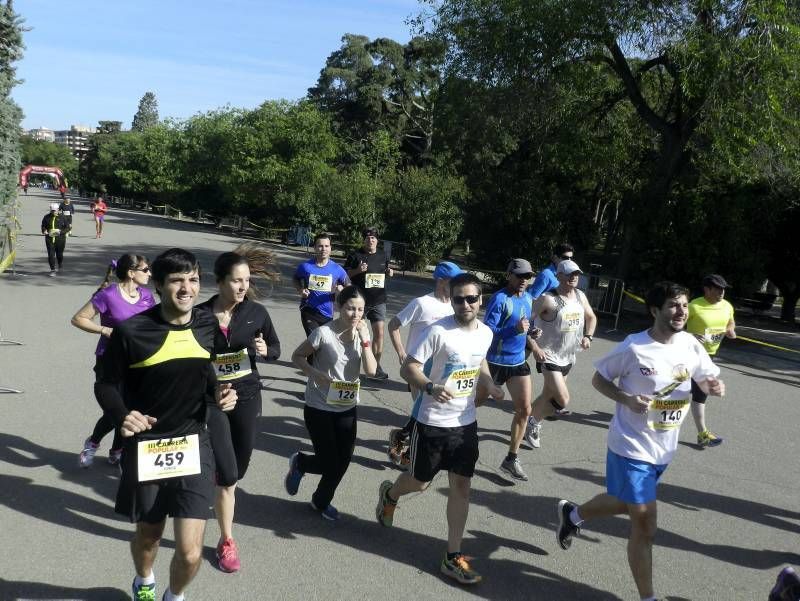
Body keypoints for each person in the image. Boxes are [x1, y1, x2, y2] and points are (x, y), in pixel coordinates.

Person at [555, 281, 724, 601]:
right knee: (645, 523)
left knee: (623, 502)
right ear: (654, 310)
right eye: (673, 305)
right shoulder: (633, 347)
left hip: (664, 448)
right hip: (631, 447)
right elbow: (598, 379)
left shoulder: (689, 343)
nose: (681, 312)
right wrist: (626, 398)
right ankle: (648, 598)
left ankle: (573, 515)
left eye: (685, 306)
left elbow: (704, 374)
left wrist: (712, 383)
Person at [95, 248, 238, 601]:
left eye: (193, 280)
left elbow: (215, 374)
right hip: (148, 445)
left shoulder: (207, 326)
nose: (187, 288)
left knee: (190, 552)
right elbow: (106, 383)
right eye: (176, 280)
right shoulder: (132, 332)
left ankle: (173, 596)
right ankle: (144, 580)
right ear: (158, 285)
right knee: (149, 536)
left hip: (193, 442)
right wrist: (122, 414)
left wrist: (222, 395)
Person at [376, 272, 504, 585]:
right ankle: (390, 495)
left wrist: (489, 382)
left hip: (465, 422)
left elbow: (479, 363)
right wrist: (430, 387)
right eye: (459, 298)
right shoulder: (438, 331)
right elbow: (409, 368)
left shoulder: (485, 333)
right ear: (453, 300)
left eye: (471, 298)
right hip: (432, 422)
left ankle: (452, 556)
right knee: (419, 483)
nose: (465, 304)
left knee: (461, 486)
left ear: (480, 300)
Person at [196, 243, 281, 573]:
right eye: (236, 280)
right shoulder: (201, 316)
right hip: (213, 399)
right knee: (228, 476)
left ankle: (219, 484)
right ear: (219, 282)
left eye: (246, 280)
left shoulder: (256, 313)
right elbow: (193, 360)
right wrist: (211, 388)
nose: (243, 286)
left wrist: (266, 349)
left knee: (239, 466)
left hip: (247, 396)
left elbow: (275, 348)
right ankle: (226, 539)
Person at [285, 286, 377, 521]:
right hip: (319, 406)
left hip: (347, 407)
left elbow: (372, 370)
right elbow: (296, 356)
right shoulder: (323, 333)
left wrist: (366, 341)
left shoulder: (362, 335)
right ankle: (302, 463)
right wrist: (314, 372)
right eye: (350, 308)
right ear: (338, 307)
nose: (355, 314)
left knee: (343, 461)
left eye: (360, 310)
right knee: (329, 461)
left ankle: (320, 501)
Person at [71, 254, 156, 468]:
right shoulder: (108, 295)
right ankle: (92, 443)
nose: (150, 274)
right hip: (109, 360)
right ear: (131, 273)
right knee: (114, 411)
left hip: (137, 361)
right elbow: (78, 318)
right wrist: (104, 329)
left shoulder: (147, 297)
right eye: (146, 270)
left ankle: (117, 450)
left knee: (131, 409)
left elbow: (153, 328)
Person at [386, 261, 463, 467]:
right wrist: (402, 352)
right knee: (424, 412)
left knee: (427, 412)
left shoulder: (455, 304)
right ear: (440, 280)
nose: (458, 284)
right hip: (417, 369)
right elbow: (393, 324)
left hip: (443, 369)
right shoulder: (421, 303)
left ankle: (401, 436)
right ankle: (410, 452)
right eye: (453, 280)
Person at [525, 259, 597, 449]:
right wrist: (535, 347)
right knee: (562, 399)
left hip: (568, 355)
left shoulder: (580, 296)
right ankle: (533, 422)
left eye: (577, 274)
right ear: (559, 276)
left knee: (549, 396)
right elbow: (525, 324)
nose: (574, 277)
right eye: (569, 273)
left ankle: (526, 420)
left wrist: (588, 336)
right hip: (548, 355)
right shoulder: (547, 298)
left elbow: (591, 317)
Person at [483, 258, 536, 481]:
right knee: (470, 404)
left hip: (517, 362)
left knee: (525, 410)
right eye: (520, 276)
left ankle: (511, 459)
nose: (524, 280)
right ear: (509, 276)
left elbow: (524, 328)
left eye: (527, 276)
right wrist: (513, 329)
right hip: (494, 362)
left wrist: (530, 334)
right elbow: (487, 331)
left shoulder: (528, 299)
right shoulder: (500, 299)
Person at [686, 274, 735, 447]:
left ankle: (702, 434)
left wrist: (730, 330)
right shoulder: (693, 306)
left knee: (700, 395)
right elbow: (671, 326)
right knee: (670, 389)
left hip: (709, 357)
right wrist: (690, 335)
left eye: (723, 289)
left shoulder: (727, 306)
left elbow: (731, 322)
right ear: (707, 289)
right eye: (718, 289)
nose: (722, 292)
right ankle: (643, 414)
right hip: (687, 355)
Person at [345, 227, 393, 379]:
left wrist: (390, 273)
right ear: (363, 240)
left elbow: (385, 270)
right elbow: (344, 275)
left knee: (379, 334)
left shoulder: (383, 255)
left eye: (373, 238)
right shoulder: (355, 255)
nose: (370, 240)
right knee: (356, 333)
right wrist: (358, 270)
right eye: (367, 238)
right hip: (360, 302)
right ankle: (350, 364)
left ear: (377, 240)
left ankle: (375, 368)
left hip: (379, 300)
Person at [293, 233, 350, 335]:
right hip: (309, 310)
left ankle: (306, 352)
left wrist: (342, 290)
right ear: (314, 248)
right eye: (320, 246)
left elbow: (349, 287)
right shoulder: (305, 267)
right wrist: (300, 289)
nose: (323, 249)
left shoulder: (337, 269)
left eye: (326, 246)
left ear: (330, 248)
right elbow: (295, 278)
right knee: (315, 339)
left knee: (323, 345)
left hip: (328, 314)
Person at [40, 202, 71, 276]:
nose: (53, 211)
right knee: (51, 255)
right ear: (50, 210)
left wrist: (61, 232)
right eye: (52, 210)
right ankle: (52, 270)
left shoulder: (63, 217)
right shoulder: (46, 217)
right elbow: (43, 226)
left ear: (58, 210)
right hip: (49, 239)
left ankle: (60, 263)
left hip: (60, 239)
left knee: (59, 254)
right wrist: (44, 230)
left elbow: (68, 228)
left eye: (55, 210)